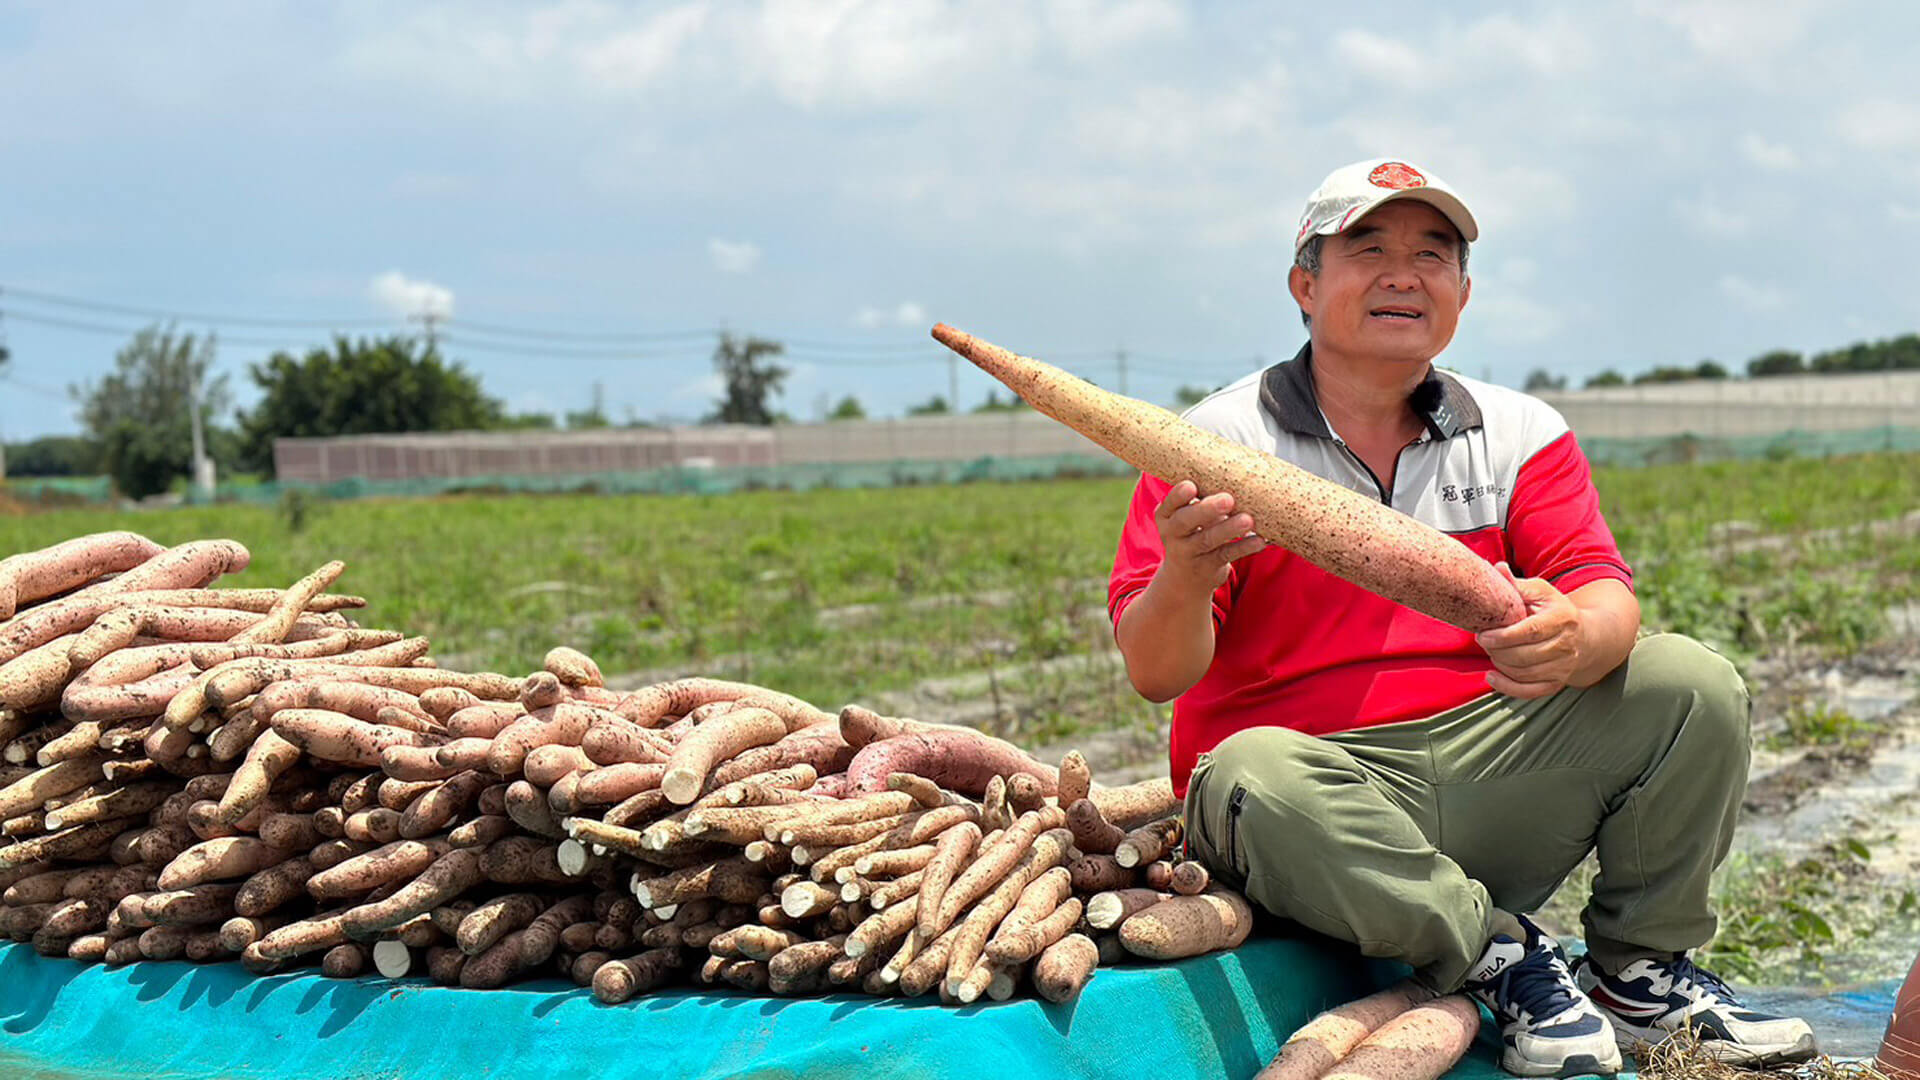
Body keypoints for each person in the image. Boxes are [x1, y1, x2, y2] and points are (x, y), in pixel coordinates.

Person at [1107, 157, 1817, 1077]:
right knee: (1254, 770)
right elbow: (1156, 672)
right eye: (1370, 249)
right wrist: (1190, 568)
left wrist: (1580, 634)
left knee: (1691, 682)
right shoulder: (1214, 445)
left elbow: (1604, 590)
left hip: (1491, 762)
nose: (1405, 273)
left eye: (1433, 255)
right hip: (1313, 811)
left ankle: (1640, 973)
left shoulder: (1520, 432)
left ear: (1463, 293)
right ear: (1305, 285)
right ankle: (1496, 951)